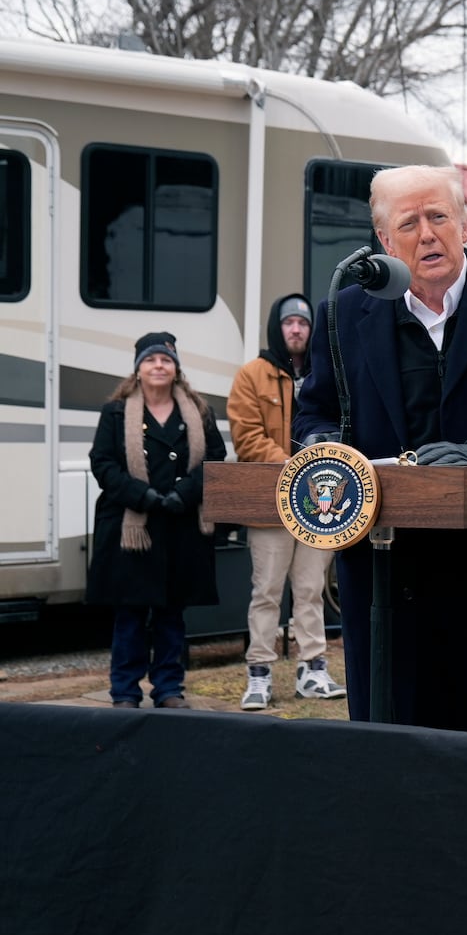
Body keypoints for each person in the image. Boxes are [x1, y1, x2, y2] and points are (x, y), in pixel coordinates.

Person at [293, 165, 467, 739]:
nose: (427, 234)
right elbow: (317, 410)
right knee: (403, 738)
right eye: (409, 222)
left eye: (438, 217)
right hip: (390, 570)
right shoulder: (342, 315)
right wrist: (320, 445)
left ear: (465, 224)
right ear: (384, 242)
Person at [88, 332, 226, 708]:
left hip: (181, 527)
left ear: (176, 368)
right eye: (150, 360)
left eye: (165, 360)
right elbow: (102, 463)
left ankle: (168, 688)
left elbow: (215, 459)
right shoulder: (115, 413)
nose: (158, 366)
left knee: (171, 613)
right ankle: (125, 692)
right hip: (134, 530)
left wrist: (185, 493)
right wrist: (141, 495)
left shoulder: (198, 412)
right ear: (137, 369)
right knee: (130, 614)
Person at [226, 294, 345, 711]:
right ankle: (258, 674)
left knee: (311, 589)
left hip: (320, 504)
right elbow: (247, 437)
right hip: (271, 502)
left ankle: (312, 670)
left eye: (303, 323)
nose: (296, 329)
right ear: (276, 327)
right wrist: (299, 466)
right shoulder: (251, 376)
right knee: (267, 591)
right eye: (288, 322)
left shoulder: (326, 374)